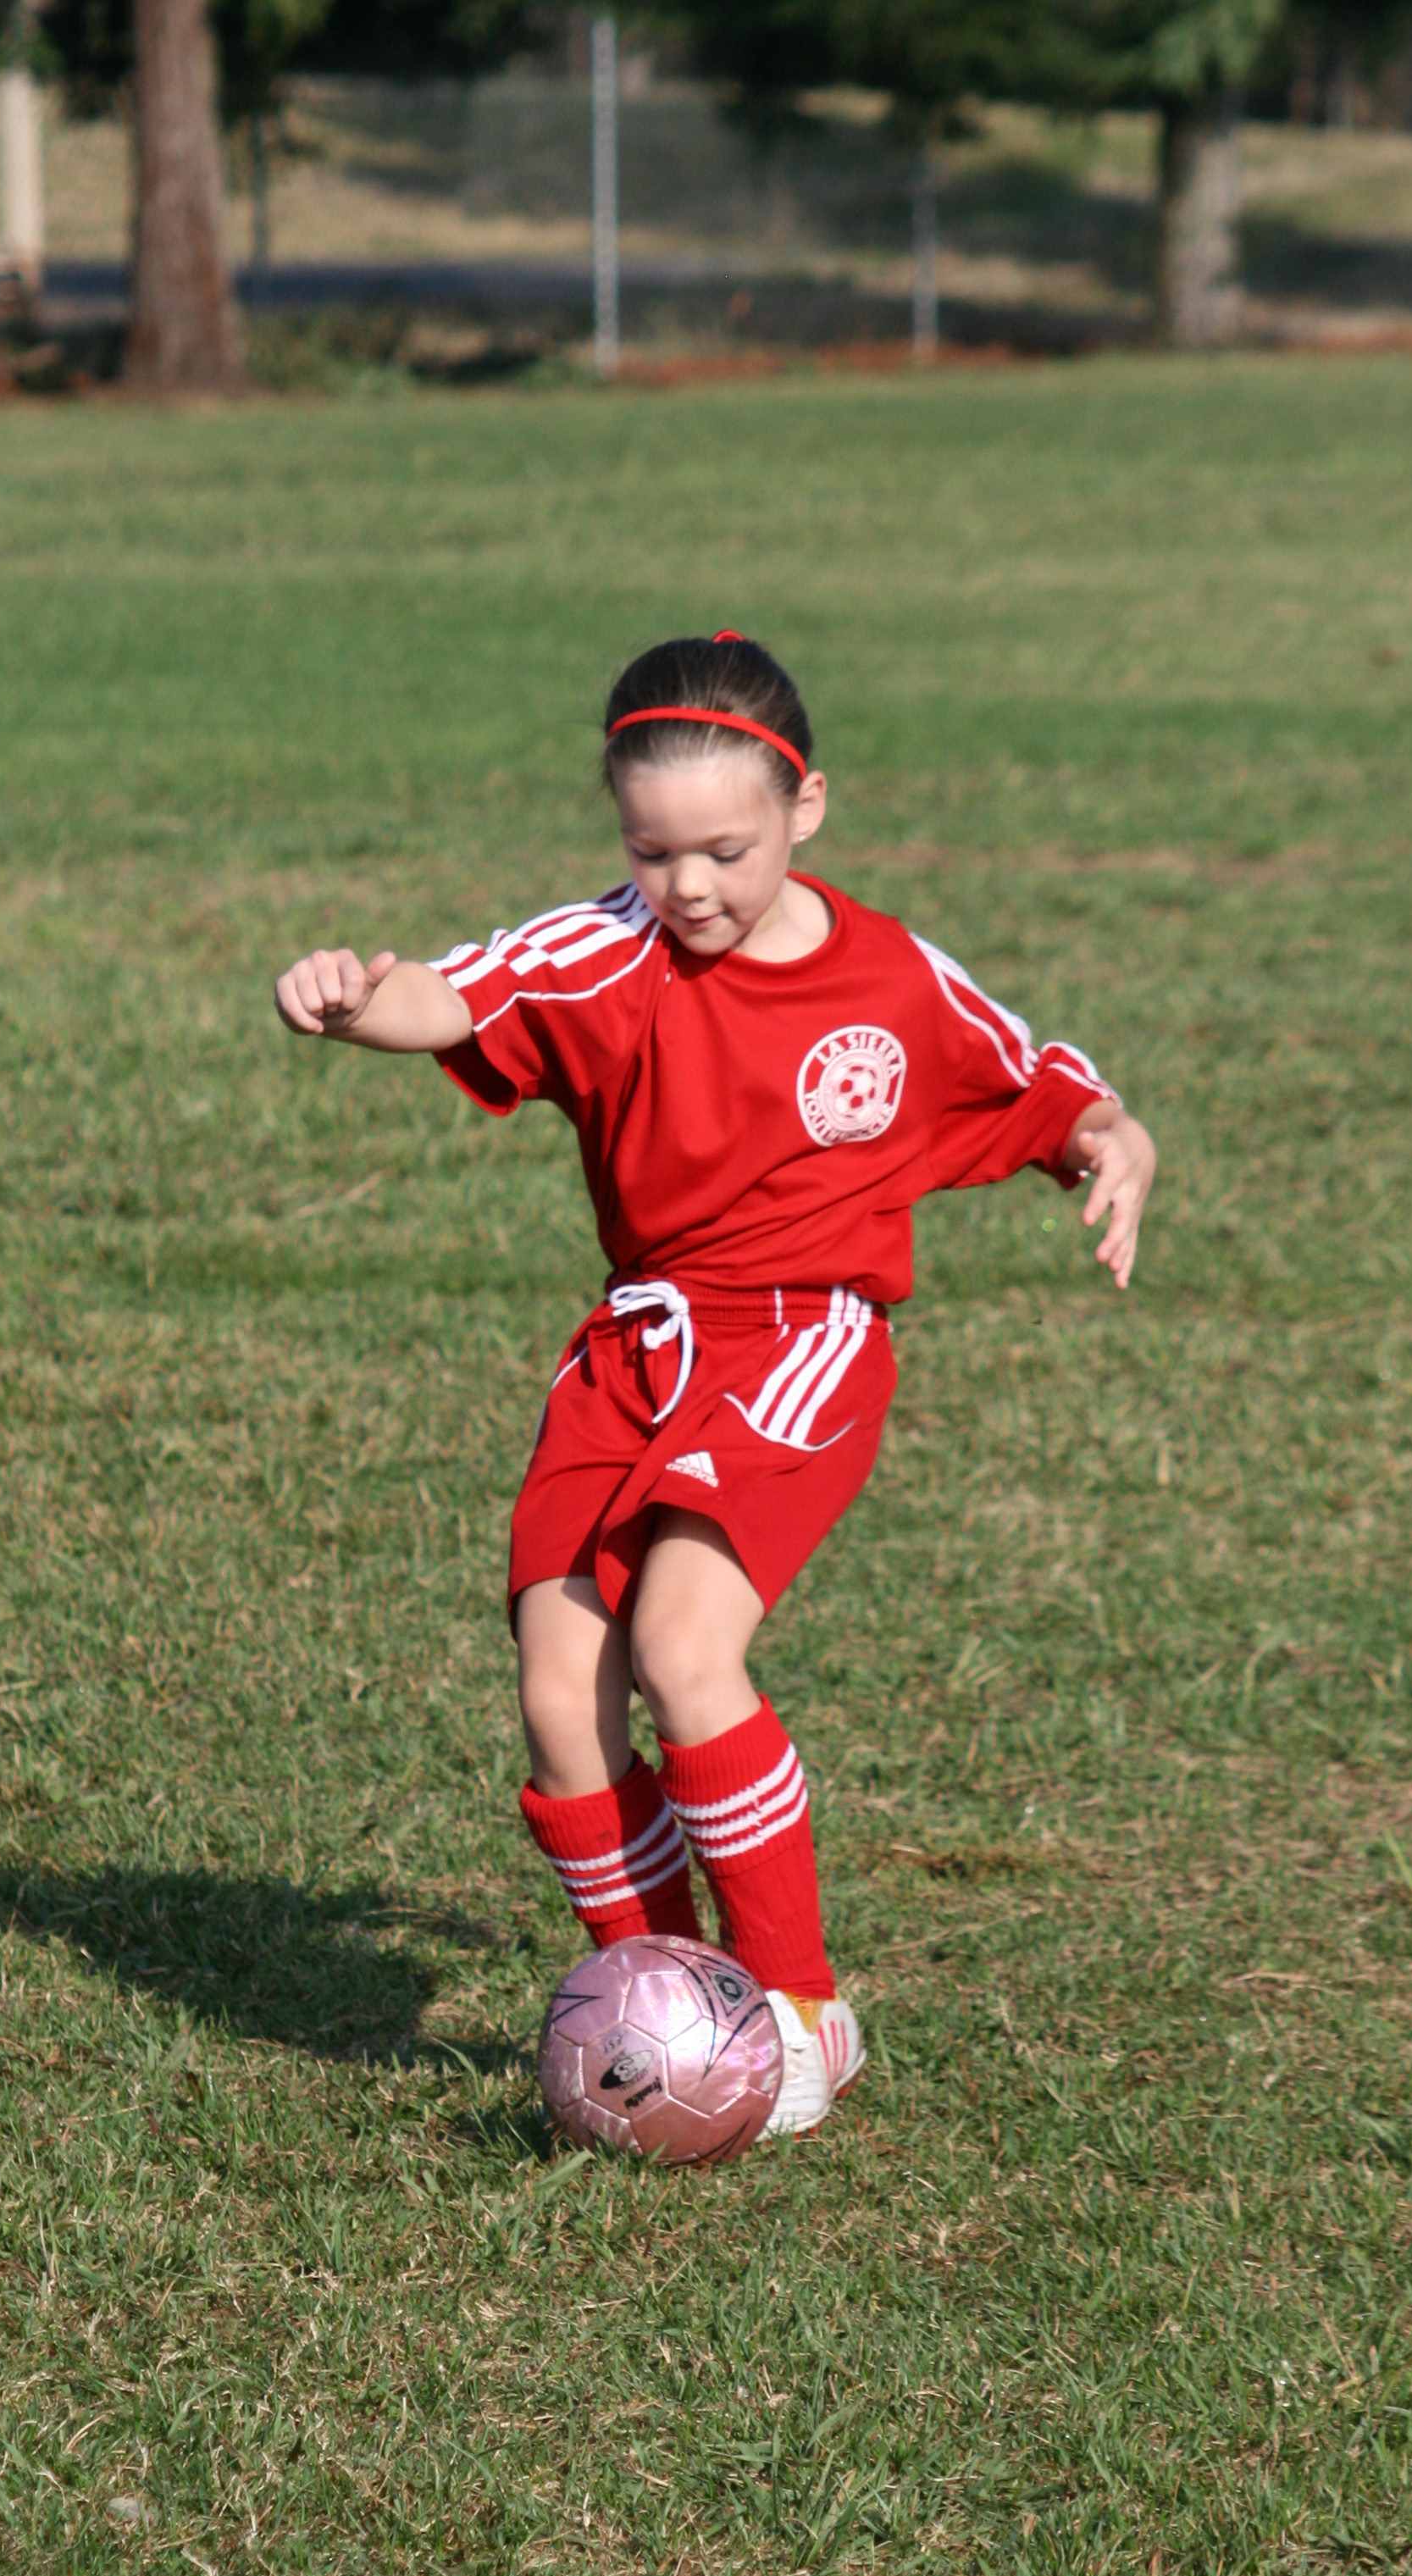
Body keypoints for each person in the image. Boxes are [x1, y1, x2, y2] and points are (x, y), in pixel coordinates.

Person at [275, 631, 1156, 2136]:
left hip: (802, 1334)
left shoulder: (890, 975)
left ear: (806, 806)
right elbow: (459, 995)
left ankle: (802, 2012)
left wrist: (1111, 1135)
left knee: (686, 1649)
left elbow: (1031, 1076)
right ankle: (674, 2010)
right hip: (635, 1350)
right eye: (652, 851)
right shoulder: (608, 948)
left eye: (725, 852)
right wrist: (354, 1000)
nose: (686, 886)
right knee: (562, 1699)